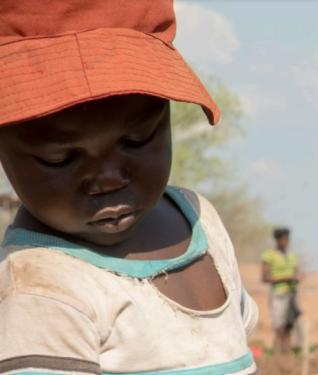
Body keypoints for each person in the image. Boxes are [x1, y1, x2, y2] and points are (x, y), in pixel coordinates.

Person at [0, 1, 259, 374]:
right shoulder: (39, 289)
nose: (107, 179)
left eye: (137, 139)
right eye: (60, 159)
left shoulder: (199, 217)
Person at [261, 228, 301, 356]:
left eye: (287, 239)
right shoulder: (269, 256)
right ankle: (276, 356)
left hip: (291, 293)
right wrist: (287, 278)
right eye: (283, 239)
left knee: (289, 326)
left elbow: (296, 272)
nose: (286, 242)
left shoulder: (292, 256)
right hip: (278, 294)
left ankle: (287, 355)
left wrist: (297, 278)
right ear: (277, 240)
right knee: (279, 326)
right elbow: (264, 278)